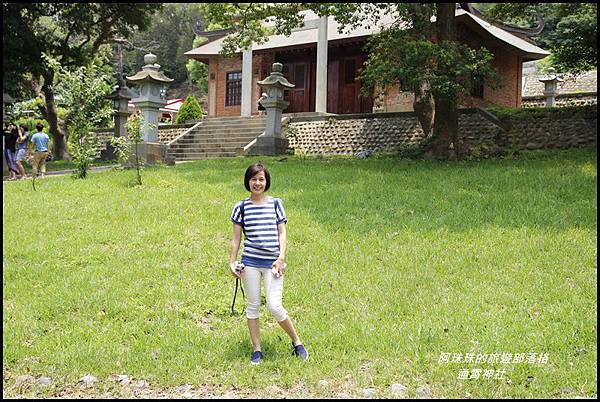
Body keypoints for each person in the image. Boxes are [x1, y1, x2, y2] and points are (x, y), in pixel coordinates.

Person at [229, 163, 308, 365]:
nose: (257, 183)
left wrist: (281, 258)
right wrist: (232, 261)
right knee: (253, 306)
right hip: (250, 264)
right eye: (254, 179)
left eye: (261, 179)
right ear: (248, 181)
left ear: (267, 181)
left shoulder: (275, 204)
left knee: (274, 305)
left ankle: (297, 342)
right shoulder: (241, 207)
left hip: (274, 263)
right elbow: (236, 239)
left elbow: (282, 233)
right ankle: (257, 349)